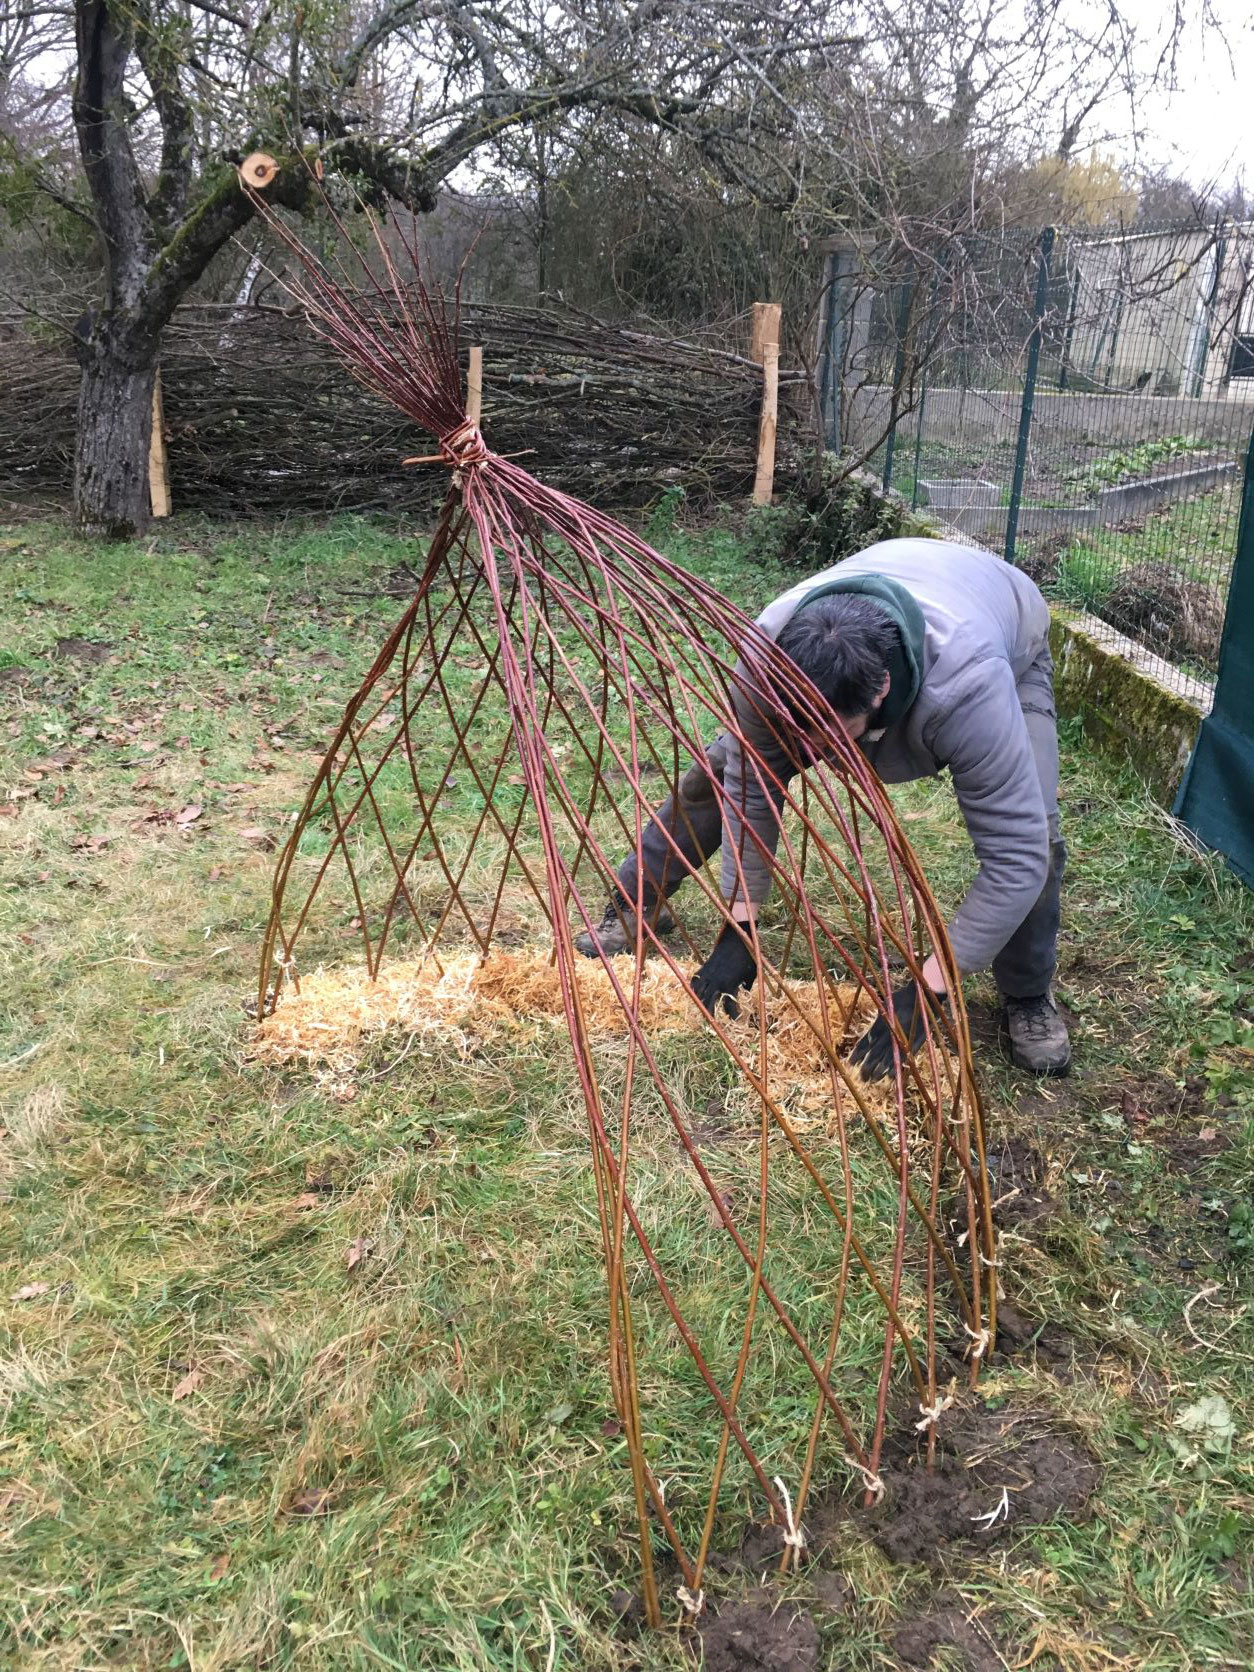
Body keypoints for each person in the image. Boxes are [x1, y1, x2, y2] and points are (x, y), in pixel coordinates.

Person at [574, 537, 1070, 1078]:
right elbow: (752, 785)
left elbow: (1014, 858)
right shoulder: (763, 657)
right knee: (720, 771)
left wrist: (932, 985)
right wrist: (741, 922)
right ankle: (636, 897)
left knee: (1036, 836)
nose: (809, 752)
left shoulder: (969, 688)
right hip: (903, 577)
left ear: (880, 690)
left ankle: (1028, 995)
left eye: (829, 734)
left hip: (1006, 632)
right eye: (796, 733)